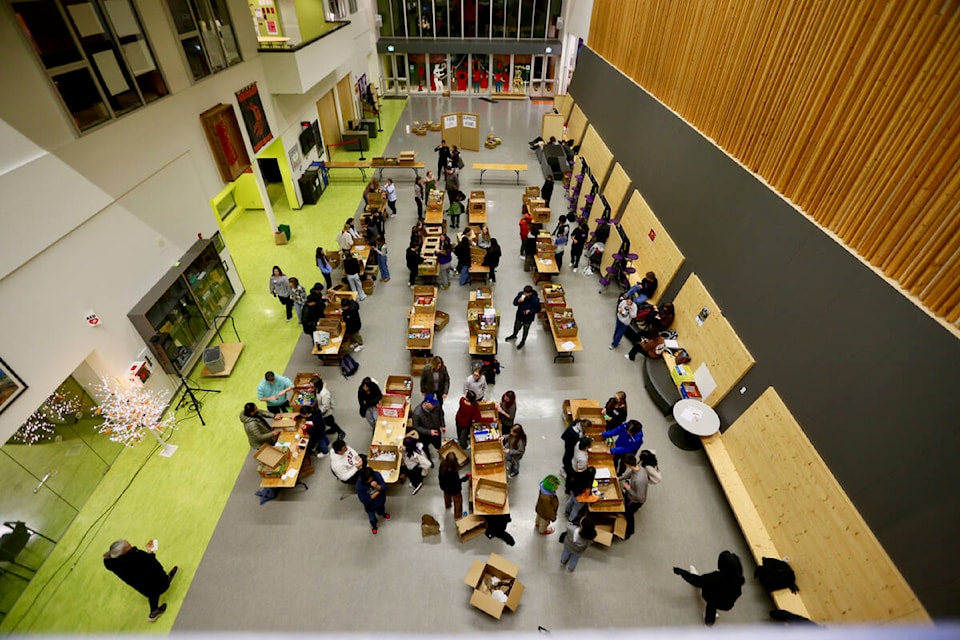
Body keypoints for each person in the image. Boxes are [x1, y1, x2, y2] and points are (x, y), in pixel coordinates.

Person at [103, 539, 178, 622]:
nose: (131, 545)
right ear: (122, 552)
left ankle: (155, 609)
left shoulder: (112, 562)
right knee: (155, 590)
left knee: (151, 592)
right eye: (128, 546)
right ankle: (154, 612)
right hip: (149, 578)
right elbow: (151, 563)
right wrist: (150, 552)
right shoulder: (134, 558)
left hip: (137, 581)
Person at [673, 551, 745, 626]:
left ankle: (709, 623)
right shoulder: (738, 578)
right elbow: (738, 593)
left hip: (712, 598)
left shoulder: (716, 577)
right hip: (728, 604)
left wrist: (682, 572)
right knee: (717, 596)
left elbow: (698, 581)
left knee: (711, 602)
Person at [620, 450, 661, 539]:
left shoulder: (639, 480)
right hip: (630, 495)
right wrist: (619, 478)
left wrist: (629, 489)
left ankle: (630, 531)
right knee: (626, 506)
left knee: (629, 514)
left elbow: (640, 497)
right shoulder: (638, 468)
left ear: (627, 464)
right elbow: (630, 474)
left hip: (634, 501)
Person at [356, 466, 390, 534]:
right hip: (370, 506)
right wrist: (377, 492)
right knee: (372, 518)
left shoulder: (376, 475)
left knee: (381, 510)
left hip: (380, 501)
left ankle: (383, 514)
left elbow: (384, 487)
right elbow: (365, 500)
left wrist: (377, 486)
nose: (370, 481)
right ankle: (374, 526)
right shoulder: (359, 485)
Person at [410, 394, 444, 461]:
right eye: (432, 404)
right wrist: (429, 432)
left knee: (438, 445)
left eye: (435, 404)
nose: (435, 406)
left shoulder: (436, 405)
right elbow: (416, 427)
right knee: (425, 448)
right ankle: (429, 459)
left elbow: (440, 415)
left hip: (436, 431)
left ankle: (441, 452)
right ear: (426, 403)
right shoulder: (417, 413)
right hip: (425, 435)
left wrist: (443, 425)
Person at [439, 452, 469, 518]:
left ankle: (448, 505)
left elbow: (440, 477)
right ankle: (458, 516)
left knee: (447, 496)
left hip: (445, 487)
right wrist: (465, 478)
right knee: (458, 501)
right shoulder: (453, 472)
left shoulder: (442, 464)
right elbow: (456, 482)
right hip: (454, 490)